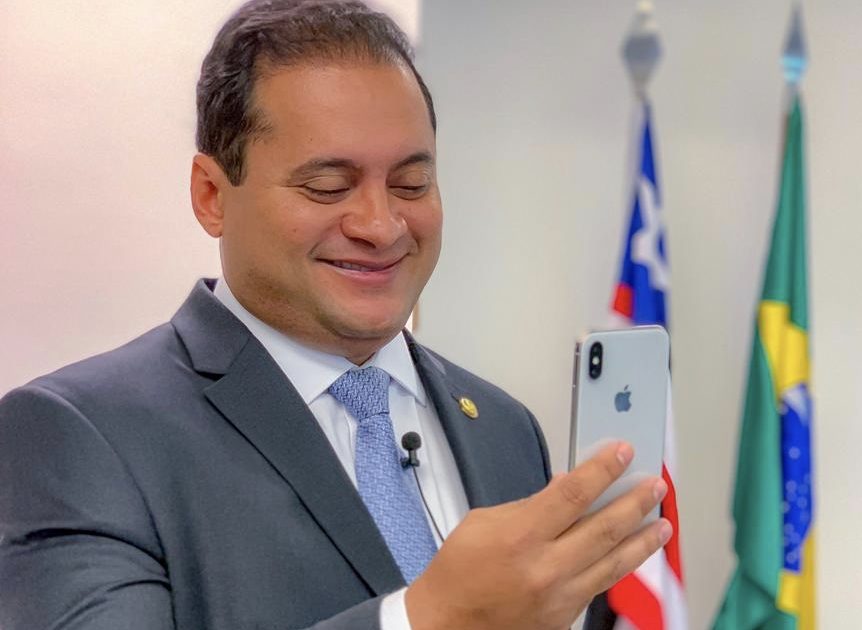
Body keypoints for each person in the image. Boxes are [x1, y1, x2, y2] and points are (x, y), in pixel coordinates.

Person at [0, 1, 672, 628]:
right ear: (211, 195)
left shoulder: (504, 427)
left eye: (411, 184)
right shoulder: (79, 437)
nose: (381, 225)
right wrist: (425, 618)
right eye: (327, 186)